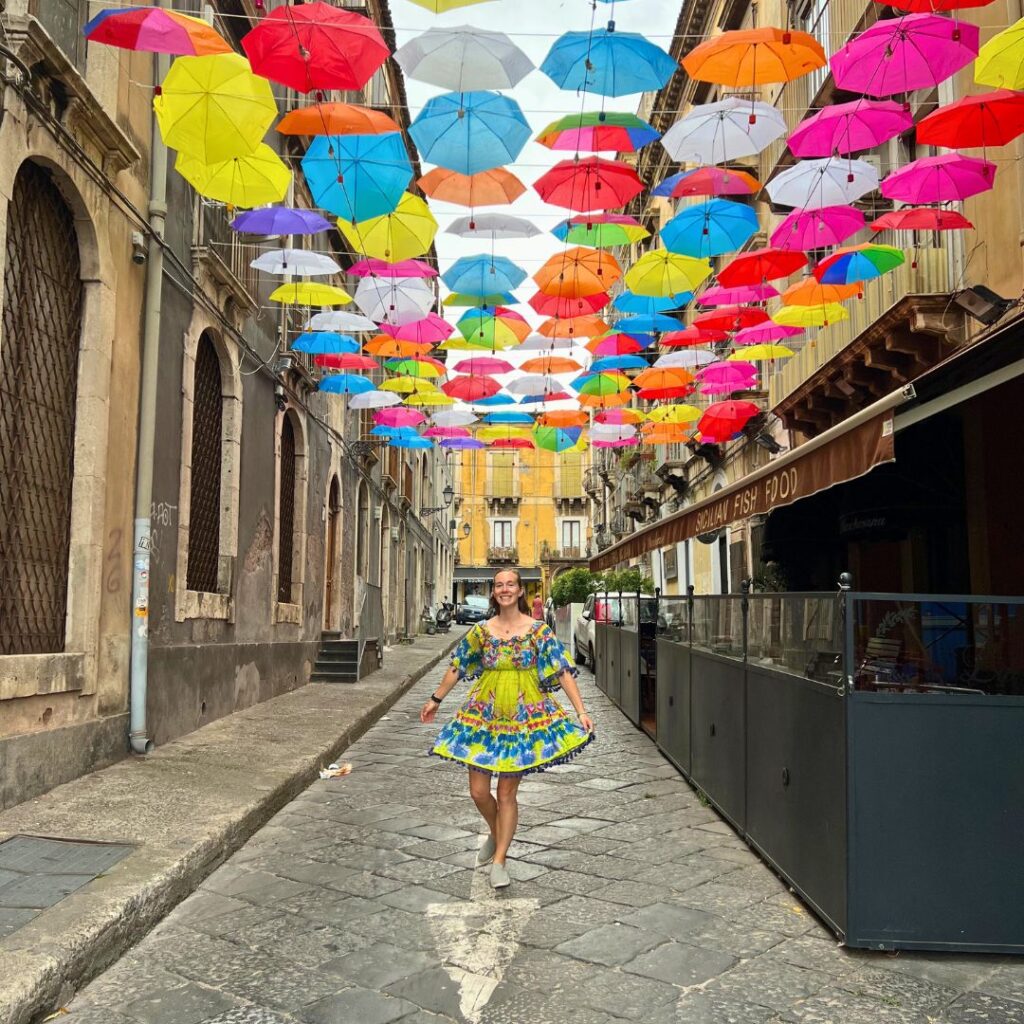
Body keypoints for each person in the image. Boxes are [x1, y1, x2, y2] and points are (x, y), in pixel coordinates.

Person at [420, 568, 594, 889]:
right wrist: (435, 699)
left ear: (519, 591)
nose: (504, 589)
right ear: (494, 592)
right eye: (499, 585)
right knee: (478, 791)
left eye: (510, 584)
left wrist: (580, 710)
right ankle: (496, 830)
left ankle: (500, 859)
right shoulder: (482, 631)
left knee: (506, 792)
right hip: (484, 713)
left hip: (522, 716)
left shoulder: (538, 631)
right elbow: (457, 665)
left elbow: (563, 672)